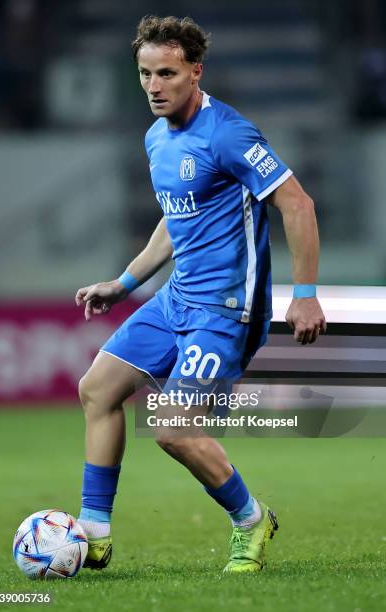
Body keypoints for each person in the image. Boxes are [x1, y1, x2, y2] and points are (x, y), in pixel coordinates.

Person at [75, 15, 326, 574]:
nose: (154, 86)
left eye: (167, 73)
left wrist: (305, 294)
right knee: (97, 391)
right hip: (175, 299)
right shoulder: (156, 137)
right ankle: (92, 533)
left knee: (172, 426)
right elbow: (174, 219)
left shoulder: (229, 134)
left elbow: (298, 204)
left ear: (196, 71)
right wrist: (124, 283)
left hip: (225, 310)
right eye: (144, 74)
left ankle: (251, 520)